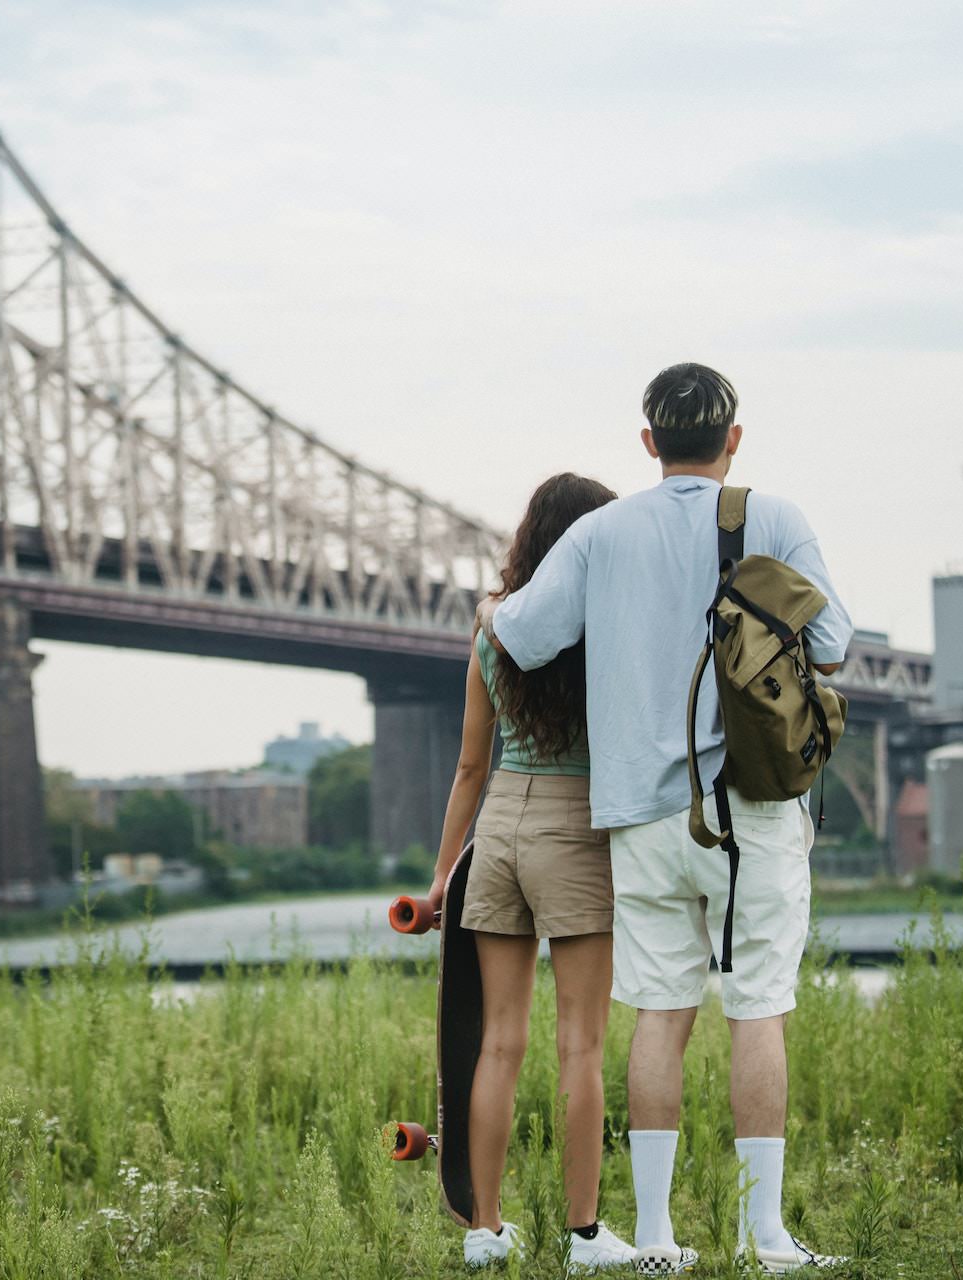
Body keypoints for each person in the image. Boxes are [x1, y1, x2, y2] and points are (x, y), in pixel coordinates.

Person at [477, 364, 853, 1275]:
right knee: (757, 1009)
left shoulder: (601, 533)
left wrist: (492, 603)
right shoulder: (776, 517)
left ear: (648, 442)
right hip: (755, 811)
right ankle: (762, 1237)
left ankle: (652, 1237)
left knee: (659, 1014)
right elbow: (835, 645)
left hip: (641, 819)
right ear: (734, 438)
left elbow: (521, 635)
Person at [426, 473, 639, 1273]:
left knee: (498, 1045)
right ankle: (584, 1237)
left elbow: (469, 767)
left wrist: (445, 873)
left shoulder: (491, 624)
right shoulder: (607, 624)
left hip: (499, 836)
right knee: (580, 1045)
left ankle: (486, 1231)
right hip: (572, 831)